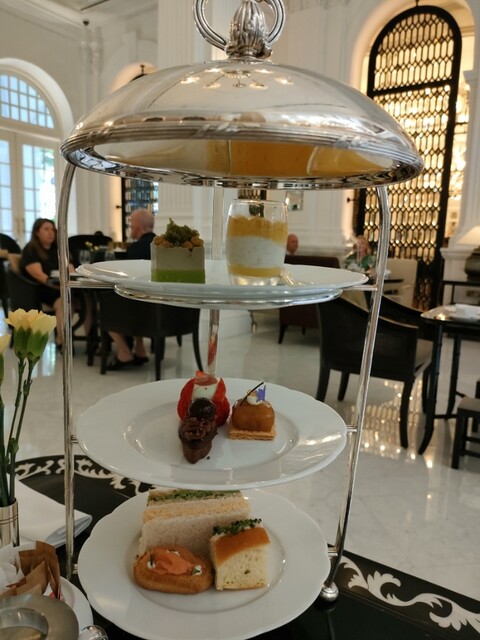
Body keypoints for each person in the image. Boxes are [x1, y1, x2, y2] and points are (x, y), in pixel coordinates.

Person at [107, 208, 156, 370]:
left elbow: (129, 281)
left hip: (141, 307)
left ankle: (124, 352)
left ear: (138, 227)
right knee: (136, 299)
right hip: (161, 306)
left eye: (131, 225)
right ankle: (140, 350)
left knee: (106, 307)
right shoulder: (163, 245)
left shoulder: (136, 248)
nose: (131, 228)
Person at [20, 218, 74, 349]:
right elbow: (39, 276)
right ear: (37, 232)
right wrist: (60, 286)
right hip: (40, 289)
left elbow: (71, 267)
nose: (51, 232)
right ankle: (61, 340)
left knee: (85, 299)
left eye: (52, 230)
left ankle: (92, 342)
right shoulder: (31, 249)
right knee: (63, 302)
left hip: (61, 286)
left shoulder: (58, 249)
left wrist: (69, 274)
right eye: (46, 229)